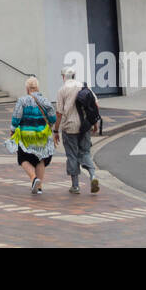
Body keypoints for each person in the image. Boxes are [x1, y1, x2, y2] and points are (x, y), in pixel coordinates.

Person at [6, 75, 56, 194]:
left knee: (23, 157)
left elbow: (16, 118)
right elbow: (53, 118)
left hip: (27, 135)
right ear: (37, 88)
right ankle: (39, 188)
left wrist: (12, 130)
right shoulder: (45, 101)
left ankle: (34, 178)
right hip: (42, 136)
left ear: (27, 89)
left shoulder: (22, 100)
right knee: (40, 158)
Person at [54, 67, 100, 195]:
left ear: (63, 76)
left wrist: (55, 131)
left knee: (72, 155)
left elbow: (59, 113)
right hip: (85, 126)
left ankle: (75, 186)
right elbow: (95, 105)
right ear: (74, 75)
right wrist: (95, 124)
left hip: (69, 127)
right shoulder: (84, 86)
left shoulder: (62, 90)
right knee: (85, 152)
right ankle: (93, 176)